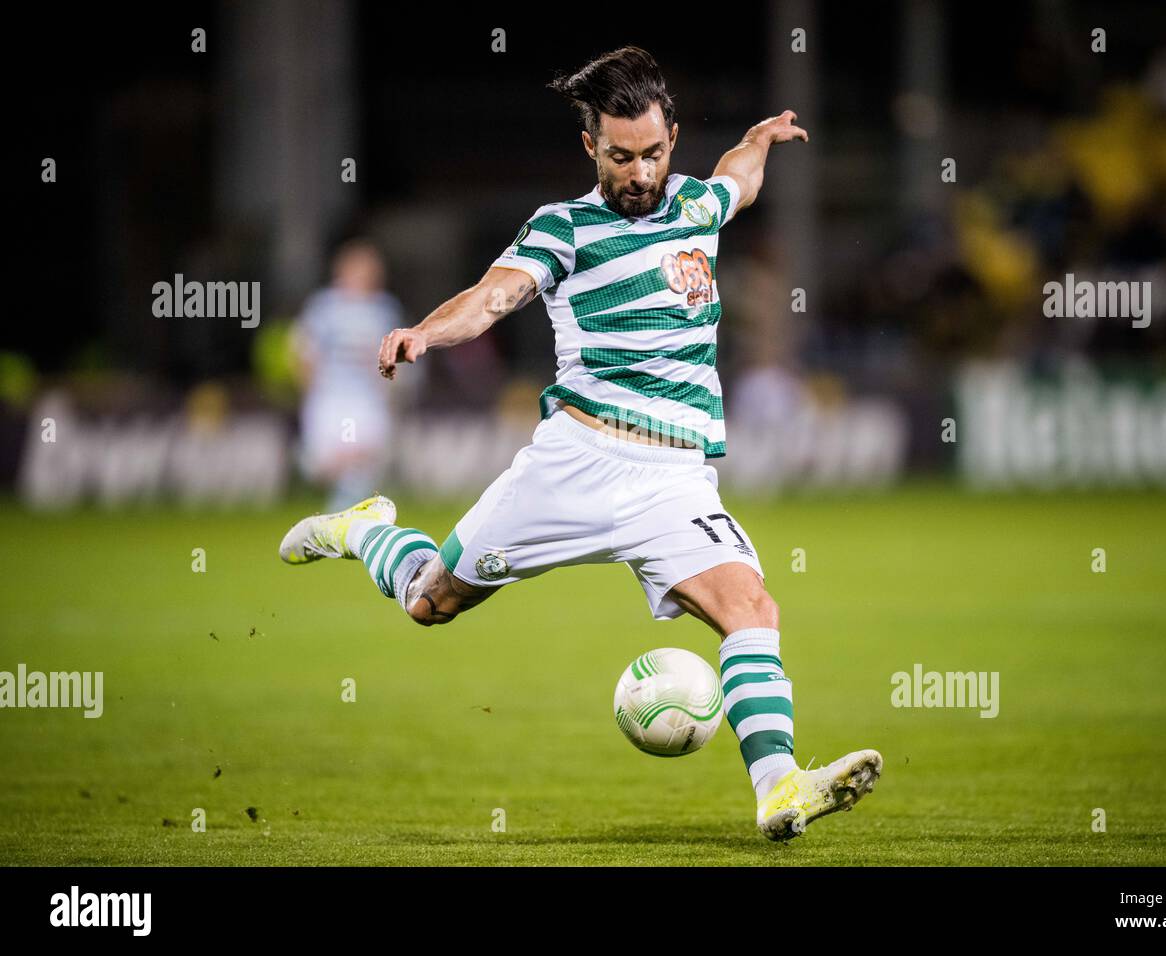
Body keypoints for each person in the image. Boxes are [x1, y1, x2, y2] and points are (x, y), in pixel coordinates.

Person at [278, 47, 881, 841]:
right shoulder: (564, 228)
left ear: (673, 139)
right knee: (432, 601)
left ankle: (780, 788)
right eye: (621, 156)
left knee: (751, 608)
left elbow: (739, 178)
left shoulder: (696, 206)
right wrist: (426, 332)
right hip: (573, 465)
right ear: (590, 147)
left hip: (673, 480)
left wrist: (762, 139)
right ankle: (363, 528)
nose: (640, 172)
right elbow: (495, 295)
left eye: (655, 153)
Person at [293, 240, 402, 512]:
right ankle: (316, 472)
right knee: (323, 463)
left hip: (366, 398)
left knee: (364, 453)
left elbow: (398, 356)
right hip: (332, 395)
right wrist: (310, 389)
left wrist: (389, 388)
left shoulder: (385, 308)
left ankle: (344, 511)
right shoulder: (324, 306)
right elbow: (305, 350)